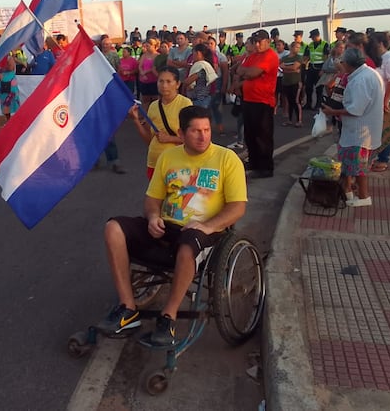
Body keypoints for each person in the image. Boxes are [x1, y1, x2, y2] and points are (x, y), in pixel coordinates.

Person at [98, 106, 247, 346]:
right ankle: (128, 309)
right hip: (167, 228)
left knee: (188, 246)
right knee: (113, 228)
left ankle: (169, 316)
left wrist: (208, 226)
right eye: (196, 131)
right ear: (181, 132)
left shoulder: (226, 159)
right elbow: (152, 200)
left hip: (204, 231)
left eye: (207, 130)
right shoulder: (168, 157)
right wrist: (153, 216)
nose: (203, 136)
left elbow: (238, 207)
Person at [321, 48, 384, 207]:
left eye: (342, 62)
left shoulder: (360, 80)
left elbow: (355, 109)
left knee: (358, 167)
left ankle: (364, 196)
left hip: (360, 131)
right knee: (351, 164)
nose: (340, 64)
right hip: (362, 129)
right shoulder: (368, 74)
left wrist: (332, 111)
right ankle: (349, 191)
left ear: (349, 64)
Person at [130, 66, 192, 178]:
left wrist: (170, 139)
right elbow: (149, 139)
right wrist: (136, 120)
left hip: (176, 163)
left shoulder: (185, 104)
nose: (164, 86)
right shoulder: (153, 106)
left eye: (169, 81)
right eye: (161, 81)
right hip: (154, 162)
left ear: (177, 84)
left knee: (176, 195)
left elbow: (192, 138)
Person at [238, 31, 279, 178]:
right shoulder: (253, 56)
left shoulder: (270, 55)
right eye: (255, 41)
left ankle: (266, 167)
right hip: (249, 99)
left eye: (260, 42)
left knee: (263, 135)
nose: (257, 45)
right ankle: (254, 162)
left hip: (263, 101)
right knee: (250, 134)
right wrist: (249, 72)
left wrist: (250, 73)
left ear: (268, 41)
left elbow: (251, 73)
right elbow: (240, 71)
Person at [367, 32, 390, 172]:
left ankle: (383, 159)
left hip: (386, 101)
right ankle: (377, 157)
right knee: (375, 132)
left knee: (385, 132)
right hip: (374, 101)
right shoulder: (376, 58)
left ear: (381, 43)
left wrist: (385, 100)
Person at [183, 43, 217, 108]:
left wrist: (183, 84)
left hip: (198, 100)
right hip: (204, 98)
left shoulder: (201, 66)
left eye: (193, 53)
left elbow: (189, 81)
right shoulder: (206, 65)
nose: (192, 56)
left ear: (198, 53)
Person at [303, 28, 330, 110]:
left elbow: (326, 58)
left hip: (320, 68)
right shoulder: (310, 45)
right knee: (308, 87)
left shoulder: (325, 44)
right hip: (311, 68)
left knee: (319, 88)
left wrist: (323, 70)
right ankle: (308, 103)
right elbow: (306, 57)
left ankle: (318, 104)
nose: (312, 39)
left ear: (317, 36)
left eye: (313, 37)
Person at [280, 41, 304, 127]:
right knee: (289, 101)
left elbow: (295, 67)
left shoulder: (299, 57)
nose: (297, 49)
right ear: (291, 47)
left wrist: (288, 68)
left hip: (295, 82)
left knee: (296, 101)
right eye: (296, 47)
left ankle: (299, 120)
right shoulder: (285, 58)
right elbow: (281, 67)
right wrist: (291, 69)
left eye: (298, 47)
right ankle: (289, 120)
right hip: (286, 82)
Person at [138, 38, 160, 109]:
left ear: (154, 46)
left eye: (148, 46)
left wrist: (146, 71)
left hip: (154, 80)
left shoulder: (157, 56)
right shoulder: (144, 55)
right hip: (144, 81)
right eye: (146, 46)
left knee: (155, 99)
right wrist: (142, 73)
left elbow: (156, 67)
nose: (146, 48)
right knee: (145, 99)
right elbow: (140, 66)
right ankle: (145, 116)